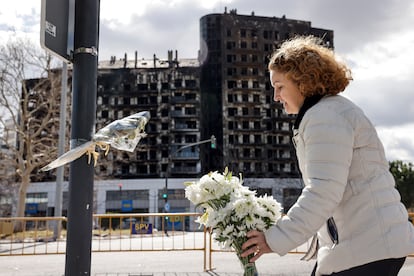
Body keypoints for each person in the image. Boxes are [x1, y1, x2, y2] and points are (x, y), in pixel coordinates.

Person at [240, 35, 414, 276]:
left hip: (368, 247)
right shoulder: (328, 112)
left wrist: (275, 238)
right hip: (367, 244)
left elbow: (323, 191)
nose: (276, 97)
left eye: (279, 87)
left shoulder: (325, 117)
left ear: (302, 82)